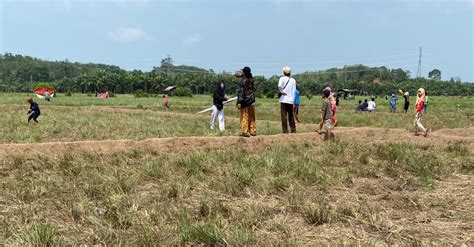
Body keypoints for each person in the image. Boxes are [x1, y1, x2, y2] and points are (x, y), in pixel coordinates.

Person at [235, 66, 256, 137]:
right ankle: (252, 131)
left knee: (244, 116)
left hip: (245, 101)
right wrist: (241, 75)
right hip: (252, 100)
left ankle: (245, 131)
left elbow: (241, 92)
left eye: (242, 71)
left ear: (244, 73)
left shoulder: (243, 81)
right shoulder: (251, 80)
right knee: (252, 117)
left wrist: (239, 102)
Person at [278, 66, 297, 133]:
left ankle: (285, 131)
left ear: (284, 72)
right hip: (291, 100)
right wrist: (294, 101)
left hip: (284, 100)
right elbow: (294, 91)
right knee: (291, 116)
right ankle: (293, 130)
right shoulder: (293, 80)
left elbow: (279, 86)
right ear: (290, 73)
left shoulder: (282, 78)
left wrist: (282, 92)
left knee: (284, 116)